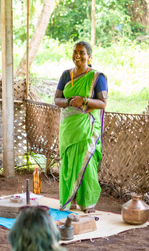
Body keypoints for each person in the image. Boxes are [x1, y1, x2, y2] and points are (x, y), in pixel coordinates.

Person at [53, 41, 108, 213]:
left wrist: (84, 100)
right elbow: (57, 99)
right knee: (68, 163)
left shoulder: (97, 77)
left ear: (89, 56)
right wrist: (69, 101)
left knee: (86, 162)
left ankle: (87, 202)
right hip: (69, 128)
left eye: (82, 52)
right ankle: (71, 200)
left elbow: (103, 103)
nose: (78, 55)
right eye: (75, 52)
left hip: (87, 127)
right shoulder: (65, 75)